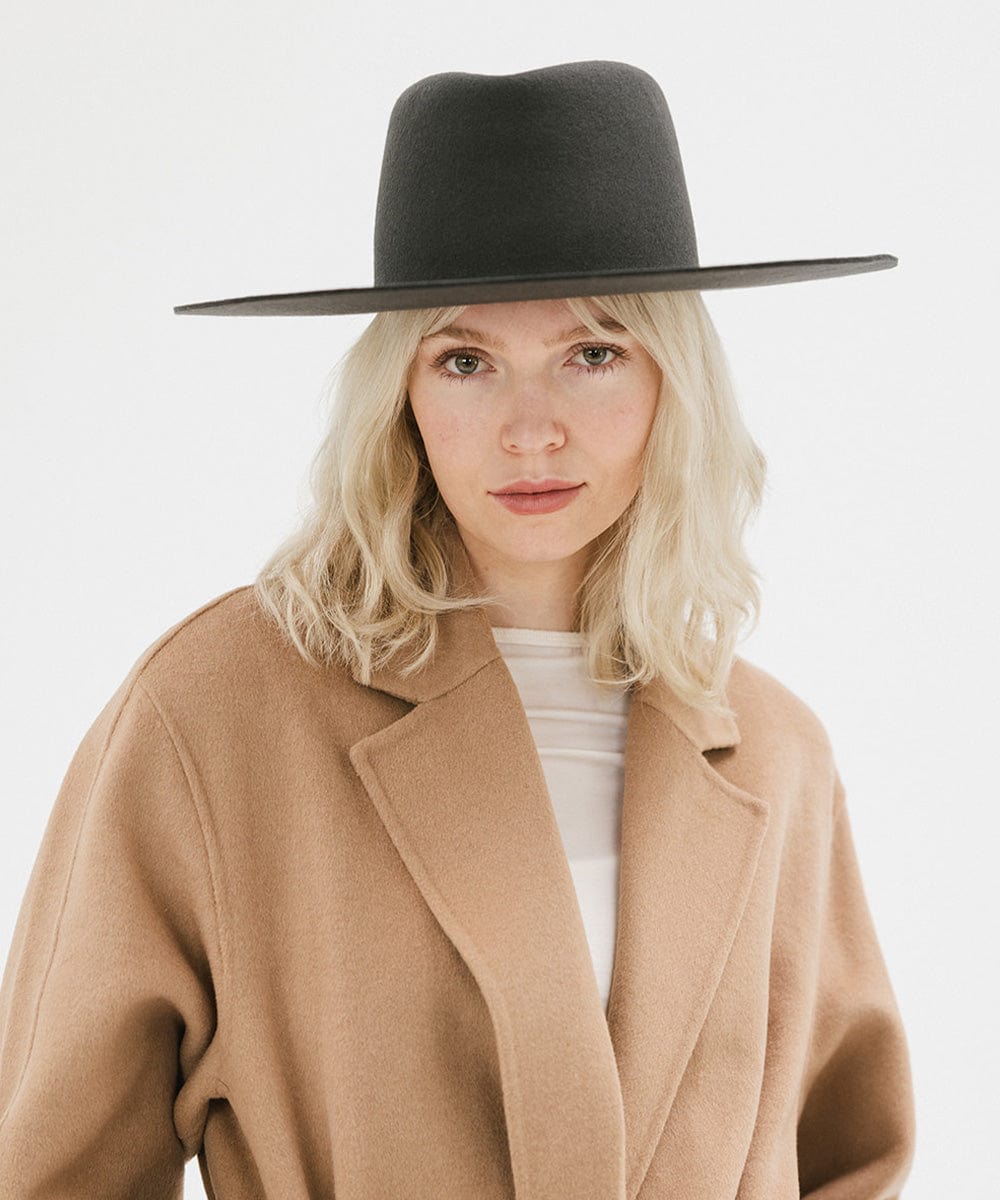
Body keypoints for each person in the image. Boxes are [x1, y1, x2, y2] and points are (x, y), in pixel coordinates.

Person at [0, 60, 916, 1199]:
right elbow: (54, 1168)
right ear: (402, 394)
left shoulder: (777, 754)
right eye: (467, 360)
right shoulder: (214, 712)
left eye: (592, 353)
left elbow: (849, 1159)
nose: (530, 432)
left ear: (671, 382)